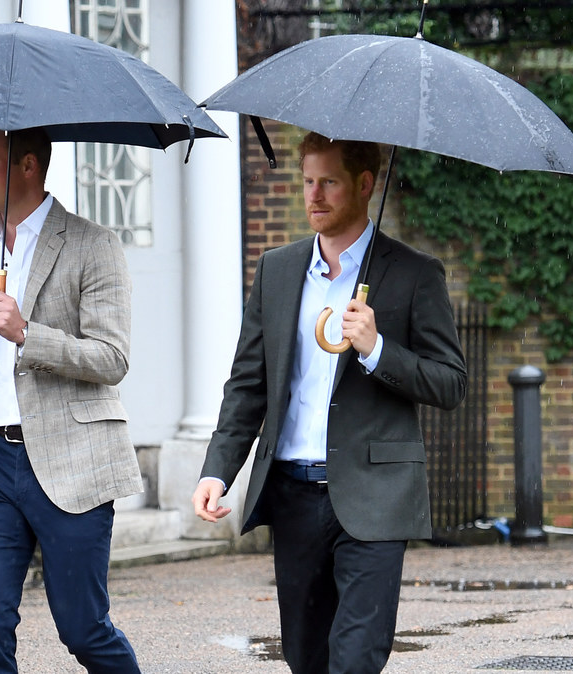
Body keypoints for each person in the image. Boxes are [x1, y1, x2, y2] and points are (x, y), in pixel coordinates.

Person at [191, 133, 467, 674]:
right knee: (306, 657)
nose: (313, 195)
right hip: (293, 493)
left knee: (357, 657)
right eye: (308, 181)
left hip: (376, 497)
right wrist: (217, 471)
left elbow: (450, 383)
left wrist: (378, 348)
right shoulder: (277, 270)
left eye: (329, 183)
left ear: (365, 185)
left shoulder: (414, 274)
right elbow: (248, 384)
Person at [0, 125, 144, 673]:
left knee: (83, 629)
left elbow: (112, 358)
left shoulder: (93, 244)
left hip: (71, 460)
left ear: (28, 166)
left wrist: (28, 333)